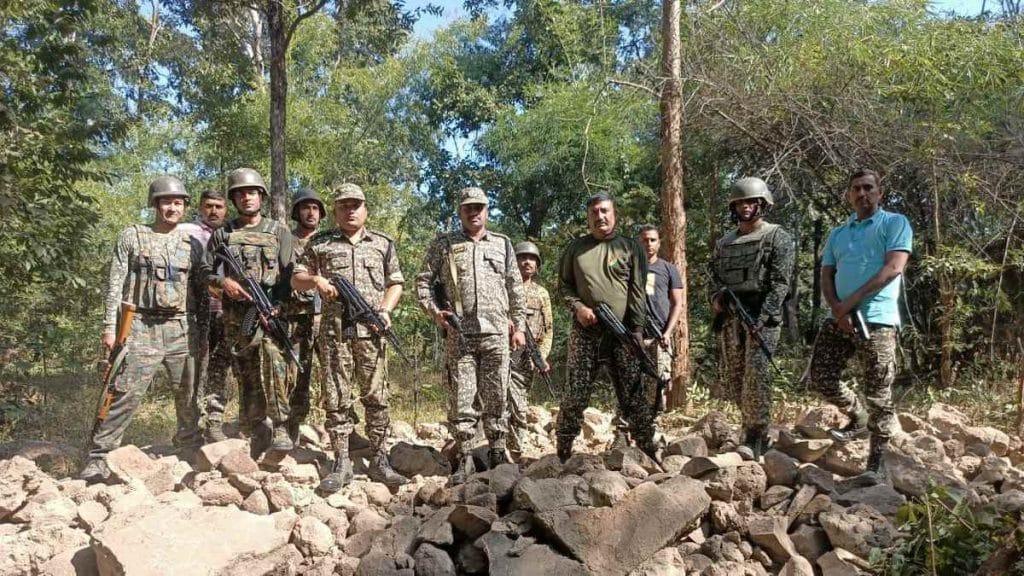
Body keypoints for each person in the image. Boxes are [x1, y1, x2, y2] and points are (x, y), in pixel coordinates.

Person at [81, 176, 203, 482]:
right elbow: (114, 286)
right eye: (166, 202)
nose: (172, 208)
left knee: (189, 395)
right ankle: (99, 456)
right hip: (139, 326)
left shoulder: (193, 245)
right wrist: (110, 328)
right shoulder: (132, 237)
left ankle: (188, 449)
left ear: (185, 206)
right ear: (155, 204)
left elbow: (201, 292)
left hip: (181, 326)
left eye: (178, 202)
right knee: (123, 392)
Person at [292, 183, 409, 491]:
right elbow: (297, 278)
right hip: (334, 334)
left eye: (356, 204)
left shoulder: (382, 243)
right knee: (336, 397)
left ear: (365, 208)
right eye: (344, 205)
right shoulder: (321, 243)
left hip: (371, 331)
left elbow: (396, 282)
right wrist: (316, 280)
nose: (351, 210)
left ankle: (380, 459)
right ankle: (341, 461)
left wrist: (385, 311)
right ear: (336, 211)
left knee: (377, 397)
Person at [415, 186, 527, 483]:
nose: (474, 212)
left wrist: (520, 327)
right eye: (468, 208)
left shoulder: (502, 244)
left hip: (496, 333)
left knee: (497, 395)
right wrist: (433, 311)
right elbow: (423, 282)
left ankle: (498, 450)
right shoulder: (445, 245)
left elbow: (516, 287)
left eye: (479, 207)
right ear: (460, 212)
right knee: (462, 398)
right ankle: (464, 455)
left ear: (487, 210)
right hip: (460, 334)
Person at [809, 168, 911, 476]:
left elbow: (894, 267)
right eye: (856, 189)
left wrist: (850, 303)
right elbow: (826, 274)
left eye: (868, 187)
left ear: (880, 192)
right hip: (838, 318)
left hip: (877, 320)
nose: (862, 193)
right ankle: (858, 415)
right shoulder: (839, 233)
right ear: (849, 195)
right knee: (820, 376)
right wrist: (837, 309)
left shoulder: (894, 223)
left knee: (879, 392)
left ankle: (877, 464)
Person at [201, 167, 296, 458]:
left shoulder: (279, 232)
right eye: (239, 194)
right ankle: (256, 427)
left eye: (251, 192)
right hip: (236, 315)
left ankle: (281, 425)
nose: (246, 198)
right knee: (247, 373)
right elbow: (204, 271)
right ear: (234, 199)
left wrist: (279, 306)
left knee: (276, 366)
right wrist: (223, 282)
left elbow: (289, 277)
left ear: (261, 196)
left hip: (271, 311)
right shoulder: (222, 234)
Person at [556, 194, 657, 463]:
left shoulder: (630, 247)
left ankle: (648, 448)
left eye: (605, 211)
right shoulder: (575, 249)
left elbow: (637, 291)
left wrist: (636, 330)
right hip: (586, 333)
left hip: (622, 332)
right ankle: (563, 450)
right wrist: (578, 308)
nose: (600, 217)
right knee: (575, 393)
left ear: (615, 215)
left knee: (633, 392)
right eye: (594, 213)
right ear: (588, 217)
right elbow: (563, 286)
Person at [710, 177, 794, 459]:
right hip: (732, 316)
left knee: (757, 376)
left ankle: (756, 436)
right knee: (735, 378)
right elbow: (714, 278)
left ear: (762, 204)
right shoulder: (724, 243)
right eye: (740, 203)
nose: (746, 207)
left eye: (751, 202)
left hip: (761, 317)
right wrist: (716, 300)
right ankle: (748, 427)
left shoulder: (776, 236)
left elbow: (781, 282)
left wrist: (765, 314)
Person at [610, 224, 684, 448]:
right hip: (631, 336)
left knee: (658, 383)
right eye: (644, 240)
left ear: (659, 242)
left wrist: (668, 332)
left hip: (659, 336)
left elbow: (677, 303)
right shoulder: (625, 268)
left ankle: (650, 431)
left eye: (652, 240)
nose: (648, 244)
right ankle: (621, 434)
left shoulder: (668, 269)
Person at [184, 190, 231, 443]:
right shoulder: (187, 232)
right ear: (200, 208)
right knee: (192, 370)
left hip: (226, 312)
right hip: (195, 311)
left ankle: (214, 421)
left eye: (219, 206)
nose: (214, 211)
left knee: (219, 368)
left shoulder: (231, 235)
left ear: (226, 209)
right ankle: (190, 428)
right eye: (209, 206)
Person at [283, 187, 326, 443]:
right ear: (296, 212)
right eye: (305, 208)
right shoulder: (286, 240)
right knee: (297, 372)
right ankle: (292, 427)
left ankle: (343, 429)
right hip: (296, 316)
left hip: (327, 317)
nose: (310, 213)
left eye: (314, 208)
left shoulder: (330, 240)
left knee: (336, 373)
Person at [506, 241, 553, 459]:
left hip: (525, 358)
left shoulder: (541, 294)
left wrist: (541, 357)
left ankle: (516, 450)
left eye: (532, 258)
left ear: (537, 265)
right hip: (500, 353)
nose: (527, 262)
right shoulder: (503, 288)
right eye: (522, 258)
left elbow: (549, 328)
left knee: (518, 404)